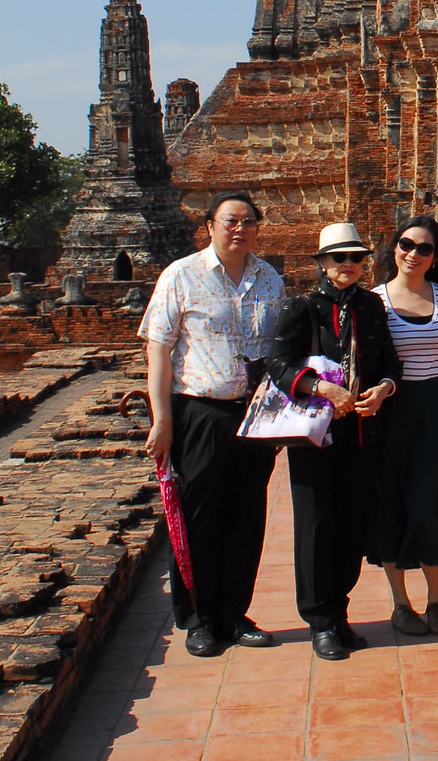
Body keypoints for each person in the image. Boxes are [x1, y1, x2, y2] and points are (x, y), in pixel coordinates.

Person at [138, 190, 287, 657]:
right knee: (200, 515)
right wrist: (161, 418)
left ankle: (234, 613)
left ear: (258, 227)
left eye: (248, 221)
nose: (239, 228)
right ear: (210, 226)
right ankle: (199, 619)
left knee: (247, 517)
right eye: (229, 221)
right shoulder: (181, 275)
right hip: (200, 410)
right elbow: (158, 351)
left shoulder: (270, 280)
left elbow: (280, 354)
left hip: (255, 413)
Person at [266, 222, 400, 661]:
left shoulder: (372, 307)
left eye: (356, 258)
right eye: (339, 258)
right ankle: (319, 619)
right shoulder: (302, 308)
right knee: (316, 525)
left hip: (361, 432)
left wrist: (383, 390)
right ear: (323, 263)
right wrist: (321, 388)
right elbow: (278, 366)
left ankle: (340, 611)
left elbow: (389, 364)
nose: (349, 265)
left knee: (352, 526)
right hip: (315, 435)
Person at [370, 215, 438, 636]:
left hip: (431, 403)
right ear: (394, 248)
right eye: (407, 244)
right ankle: (400, 603)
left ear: (435, 257)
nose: (413, 254)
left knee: (427, 501)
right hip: (389, 409)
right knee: (389, 501)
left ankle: (434, 598)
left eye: (424, 248)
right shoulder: (373, 301)